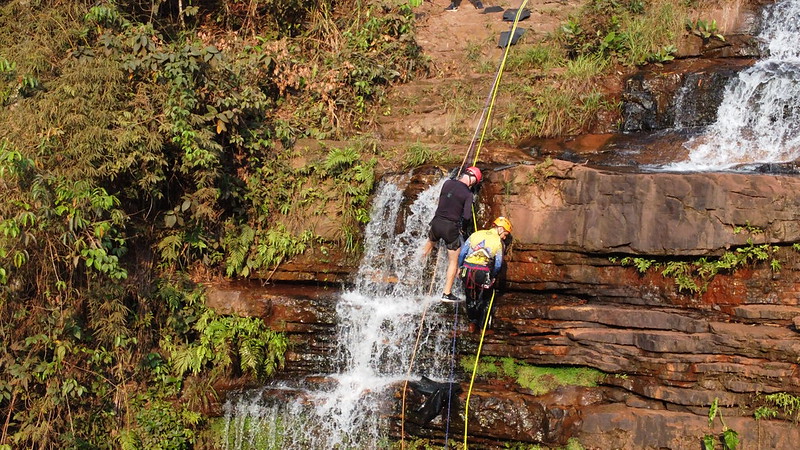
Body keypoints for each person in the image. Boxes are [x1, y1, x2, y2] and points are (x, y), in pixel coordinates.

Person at [422, 166, 482, 301]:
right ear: (473, 181)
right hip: (450, 228)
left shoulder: (447, 183)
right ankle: (447, 293)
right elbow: (466, 216)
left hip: (436, 223)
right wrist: (463, 228)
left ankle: (413, 270)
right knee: (453, 261)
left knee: (426, 250)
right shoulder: (468, 194)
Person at [458, 216, 512, 333]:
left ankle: (472, 323)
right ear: (501, 229)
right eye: (505, 234)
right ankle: (483, 327)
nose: (504, 237)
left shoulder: (475, 234)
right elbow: (498, 264)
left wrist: (460, 267)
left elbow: (462, 253)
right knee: (486, 298)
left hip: (467, 270)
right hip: (482, 272)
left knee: (470, 297)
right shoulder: (498, 242)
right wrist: (492, 276)